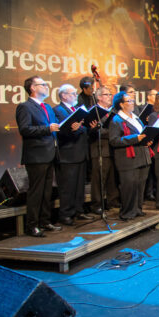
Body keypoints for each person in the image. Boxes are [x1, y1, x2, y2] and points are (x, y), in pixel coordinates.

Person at [15, 76, 62, 237]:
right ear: (33, 88)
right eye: (42, 84)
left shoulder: (47, 107)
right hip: (36, 155)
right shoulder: (25, 107)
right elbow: (25, 129)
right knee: (36, 191)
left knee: (47, 191)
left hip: (50, 153)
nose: (46, 86)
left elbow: (54, 126)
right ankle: (32, 225)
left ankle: (45, 221)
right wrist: (47, 128)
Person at [109, 91, 153, 220]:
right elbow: (114, 141)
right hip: (128, 159)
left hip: (142, 156)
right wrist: (136, 138)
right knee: (129, 187)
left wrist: (147, 139)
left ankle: (137, 209)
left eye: (132, 101)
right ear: (121, 104)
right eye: (129, 101)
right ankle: (127, 212)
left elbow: (142, 134)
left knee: (140, 185)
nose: (132, 103)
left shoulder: (136, 117)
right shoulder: (117, 120)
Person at [53, 84, 92, 225]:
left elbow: (83, 128)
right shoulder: (58, 110)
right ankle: (66, 214)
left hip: (80, 152)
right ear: (63, 95)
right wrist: (74, 128)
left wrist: (85, 126)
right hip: (67, 154)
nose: (76, 96)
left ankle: (79, 211)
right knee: (68, 187)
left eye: (75, 93)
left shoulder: (76, 109)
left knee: (79, 186)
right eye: (73, 93)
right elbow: (60, 131)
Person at [88, 85, 120, 214]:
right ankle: (97, 204)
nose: (109, 97)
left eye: (110, 94)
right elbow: (96, 130)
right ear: (99, 97)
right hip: (100, 148)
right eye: (107, 94)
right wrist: (114, 132)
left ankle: (112, 200)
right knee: (99, 178)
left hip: (112, 148)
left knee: (112, 177)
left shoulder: (112, 111)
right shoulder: (95, 111)